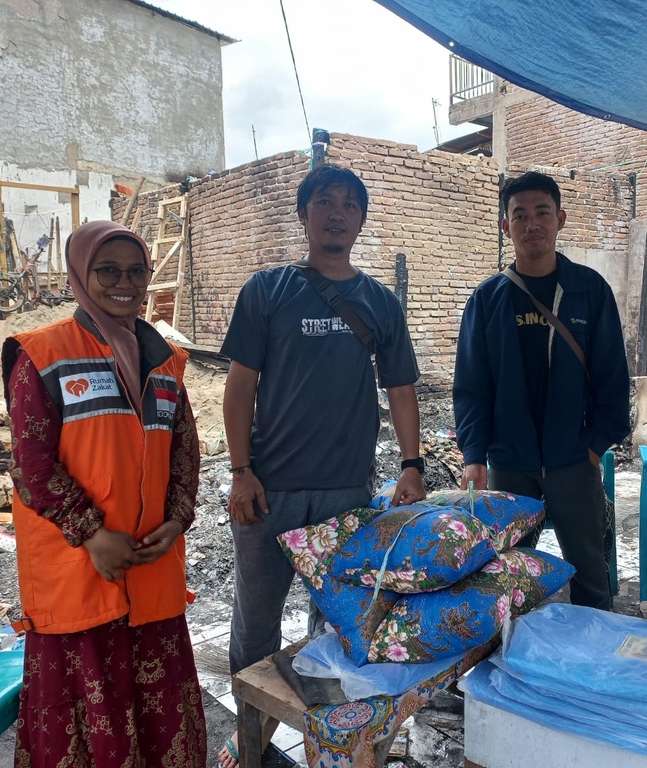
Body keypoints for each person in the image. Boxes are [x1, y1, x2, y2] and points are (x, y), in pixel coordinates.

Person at [218, 164, 425, 767]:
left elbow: (403, 389)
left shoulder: (380, 303)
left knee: (331, 626)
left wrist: (411, 464)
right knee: (256, 626)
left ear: (361, 219)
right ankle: (252, 743)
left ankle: (325, 740)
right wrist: (239, 470)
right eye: (324, 202)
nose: (336, 213)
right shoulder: (268, 290)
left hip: (346, 495)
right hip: (269, 492)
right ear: (304, 214)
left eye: (348, 204)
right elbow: (240, 388)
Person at [1, 220, 206, 767]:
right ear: (79, 274)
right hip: (80, 577)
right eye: (108, 270)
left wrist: (178, 517)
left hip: (152, 573)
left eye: (136, 272)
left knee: (160, 722)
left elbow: (185, 451)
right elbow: (31, 465)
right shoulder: (42, 355)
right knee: (91, 728)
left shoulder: (165, 362)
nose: (126, 283)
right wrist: (92, 535)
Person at [453, 170, 630, 611]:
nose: (532, 223)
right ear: (505, 226)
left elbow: (612, 373)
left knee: (588, 567)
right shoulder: (488, 299)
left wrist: (594, 447)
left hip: (574, 460)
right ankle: (515, 661)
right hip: (510, 465)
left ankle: (595, 658)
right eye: (520, 215)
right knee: (508, 572)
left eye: (542, 212)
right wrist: (475, 454)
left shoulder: (589, 291)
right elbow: (471, 385)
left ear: (560, 219)